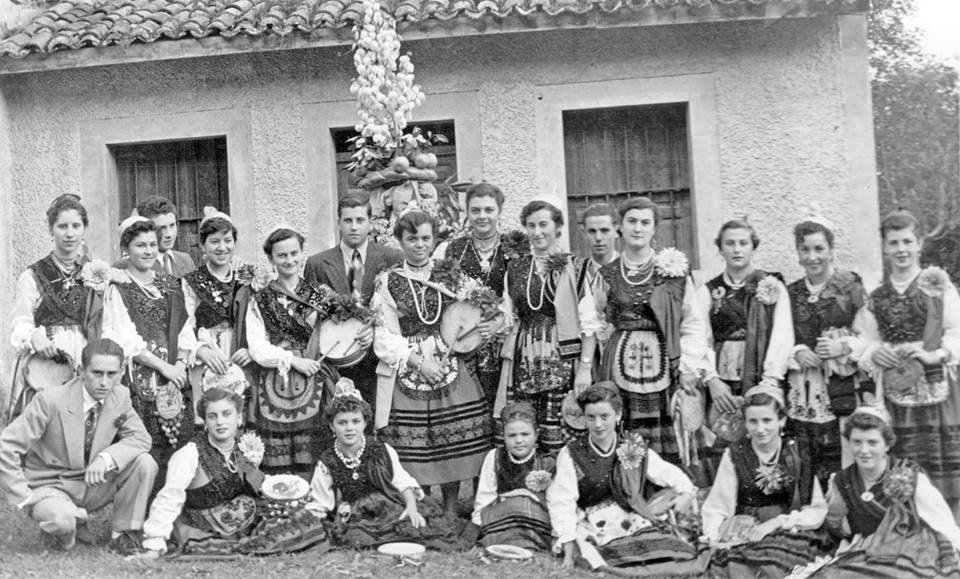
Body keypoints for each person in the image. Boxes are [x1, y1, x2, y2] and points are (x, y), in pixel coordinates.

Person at [372, 208, 493, 513]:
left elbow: (485, 305)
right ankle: (424, 508)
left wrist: (482, 327)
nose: (420, 245)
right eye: (412, 238)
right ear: (399, 240)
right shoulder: (388, 281)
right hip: (410, 364)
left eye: (426, 238)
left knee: (450, 437)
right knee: (416, 445)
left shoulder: (451, 274)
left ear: (435, 239)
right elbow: (383, 333)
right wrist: (417, 362)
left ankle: (451, 508)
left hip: (449, 362)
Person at [578, 197, 710, 463]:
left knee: (669, 436)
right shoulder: (607, 273)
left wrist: (688, 366)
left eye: (645, 222)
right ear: (620, 227)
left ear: (654, 228)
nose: (638, 228)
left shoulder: (673, 273)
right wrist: (601, 318)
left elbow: (692, 322)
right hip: (619, 362)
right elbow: (592, 320)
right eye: (632, 221)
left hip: (664, 361)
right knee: (623, 430)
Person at [0, 339, 157, 554]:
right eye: (97, 373)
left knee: (144, 463)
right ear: (82, 371)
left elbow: (140, 438)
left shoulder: (119, 396)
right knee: (61, 521)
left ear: (121, 372)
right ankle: (67, 531)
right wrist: (24, 496)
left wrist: (106, 458)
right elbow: (6, 448)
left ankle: (123, 535)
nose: (104, 382)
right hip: (52, 485)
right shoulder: (49, 401)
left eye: (111, 374)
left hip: (91, 482)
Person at [853, 210, 960, 518]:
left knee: (943, 467)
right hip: (897, 395)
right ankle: (908, 532)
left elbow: (956, 330)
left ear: (919, 243)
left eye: (907, 241)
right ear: (885, 247)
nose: (901, 249)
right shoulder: (877, 296)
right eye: (894, 243)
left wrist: (935, 354)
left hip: (938, 393)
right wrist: (874, 352)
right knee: (903, 469)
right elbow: (863, 339)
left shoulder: (938, 287)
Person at [137, 387, 328, 558]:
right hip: (204, 526)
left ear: (238, 418)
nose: (220, 422)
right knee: (277, 536)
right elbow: (170, 496)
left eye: (226, 414)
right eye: (213, 416)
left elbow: (260, 484)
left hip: (243, 518)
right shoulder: (190, 453)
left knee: (303, 520)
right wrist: (155, 541)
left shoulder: (241, 449)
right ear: (205, 422)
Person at [547, 383, 704, 574]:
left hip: (630, 515)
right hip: (593, 521)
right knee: (609, 559)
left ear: (618, 415)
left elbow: (666, 473)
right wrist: (568, 542)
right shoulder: (572, 453)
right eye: (591, 417)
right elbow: (562, 500)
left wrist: (685, 492)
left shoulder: (631, 446)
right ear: (584, 419)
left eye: (604, 416)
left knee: (668, 552)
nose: (598, 424)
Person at [793, 408, 960, 578]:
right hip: (868, 552)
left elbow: (943, 525)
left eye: (872, 443)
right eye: (857, 442)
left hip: (911, 551)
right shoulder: (842, 481)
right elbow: (837, 528)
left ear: (887, 444)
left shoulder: (909, 476)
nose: (864, 450)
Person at [309, 379, 467, 550]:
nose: (349, 428)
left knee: (411, 527)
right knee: (358, 539)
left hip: (389, 505)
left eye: (355, 421)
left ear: (365, 423)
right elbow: (320, 499)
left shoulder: (381, 450)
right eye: (342, 422)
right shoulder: (328, 460)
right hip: (356, 513)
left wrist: (412, 508)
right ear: (332, 426)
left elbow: (403, 482)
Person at [701, 384, 832, 578]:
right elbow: (718, 505)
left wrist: (778, 522)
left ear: (781, 420)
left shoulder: (798, 453)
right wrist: (713, 536)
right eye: (753, 421)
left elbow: (815, 509)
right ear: (745, 423)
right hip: (747, 532)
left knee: (775, 567)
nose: (760, 429)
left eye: (767, 420)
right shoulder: (736, 453)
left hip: (790, 531)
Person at [245, 227, 347, 474]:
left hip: (316, 374)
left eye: (294, 253)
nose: (289, 260)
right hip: (276, 378)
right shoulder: (260, 299)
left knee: (317, 453)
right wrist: (292, 360)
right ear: (271, 259)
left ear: (302, 253)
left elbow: (338, 333)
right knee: (278, 457)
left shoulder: (320, 296)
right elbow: (257, 346)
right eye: (281, 255)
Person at [103, 213, 191, 496]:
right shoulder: (118, 288)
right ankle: (142, 508)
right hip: (140, 379)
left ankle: (175, 509)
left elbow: (186, 327)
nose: (149, 251)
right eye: (140, 245)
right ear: (126, 249)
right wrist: (163, 367)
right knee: (146, 445)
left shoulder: (169, 284)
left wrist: (180, 364)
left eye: (152, 244)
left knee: (179, 444)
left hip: (174, 378)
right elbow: (125, 339)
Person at [498, 200, 595, 455]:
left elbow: (588, 323)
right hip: (525, 361)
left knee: (561, 435)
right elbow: (508, 316)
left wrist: (585, 368)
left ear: (558, 227)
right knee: (525, 434)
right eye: (531, 226)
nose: (537, 232)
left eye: (543, 224)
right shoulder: (515, 268)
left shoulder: (576, 267)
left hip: (563, 358)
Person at [698, 219, 793, 476]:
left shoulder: (772, 287)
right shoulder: (708, 291)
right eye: (730, 243)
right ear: (720, 248)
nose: (737, 249)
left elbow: (782, 335)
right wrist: (712, 380)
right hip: (722, 383)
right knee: (722, 441)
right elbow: (700, 337)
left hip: (761, 377)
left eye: (743, 243)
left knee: (761, 438)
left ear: (754, 247)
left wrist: (769, 382)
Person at [303, 195, 402, 415]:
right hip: (338, 362)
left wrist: (375, 329)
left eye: (360, 220)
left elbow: (401, 310)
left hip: (381, 361)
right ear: (339, 223)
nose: (354, 227)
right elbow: (310, 315)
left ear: (370, 223)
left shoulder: (392, 258)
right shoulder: (318, 264)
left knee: (381, 419)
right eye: (348, 220)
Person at [785, 219, 867, 481]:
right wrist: (797, 351)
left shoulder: (850, 285)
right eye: (805, 250)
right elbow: (783, 336)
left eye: (819, 249)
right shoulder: (792, 292)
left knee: (841, 454)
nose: (812, 257)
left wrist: (841, 347)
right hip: (805, 386)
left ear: (831, 250)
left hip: (842, 382)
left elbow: (869, 333)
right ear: (798, 253)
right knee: (806, 458)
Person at [9, 194, 102, 418]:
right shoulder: (33, 275)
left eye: (76, 226)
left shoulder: (96, 273)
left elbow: (105, 322)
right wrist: (33, 336)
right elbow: (20, 321)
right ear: (51, 230)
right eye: (62, 226)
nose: (69, 233)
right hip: (45, 364)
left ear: (84, 229)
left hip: (84, 359)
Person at [433, 183, 515, 403]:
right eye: (475, 210)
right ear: (467, 212)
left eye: (489, 210)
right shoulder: (450, 249)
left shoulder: (513, 249)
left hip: (501, 343)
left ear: (499, 211)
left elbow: (521, 296)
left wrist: (501, 321)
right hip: (461, 342)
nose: (482, 216)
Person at [179, 208, 256, 421]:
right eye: (214, 241)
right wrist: (200, 351)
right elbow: (184, 326)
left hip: (241, 355)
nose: (222, 248)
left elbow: (261, 321)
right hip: (208, 358)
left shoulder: (247, 279)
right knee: (212, 417)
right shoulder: (192, 282)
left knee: (241, 418)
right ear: (203, 245)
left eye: (227, 240)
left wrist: (252, 350)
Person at [472, 401, 555, 550]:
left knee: (523, 505)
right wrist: (478, 527)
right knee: (513, 506)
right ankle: (504, 538)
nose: (519, 441)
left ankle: (528, 539)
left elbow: (553, 502)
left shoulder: (546, 461)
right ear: (503, 436)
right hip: (502, 517)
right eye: (512, 435)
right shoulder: (495, 457)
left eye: (525, 434)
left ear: (536, 434)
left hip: (533, 518)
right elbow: (484, 498)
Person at [115, 196, 196, 279]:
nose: (169, 234)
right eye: (161, 228)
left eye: (172, 225)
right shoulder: (127, 265)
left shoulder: (186, 260)